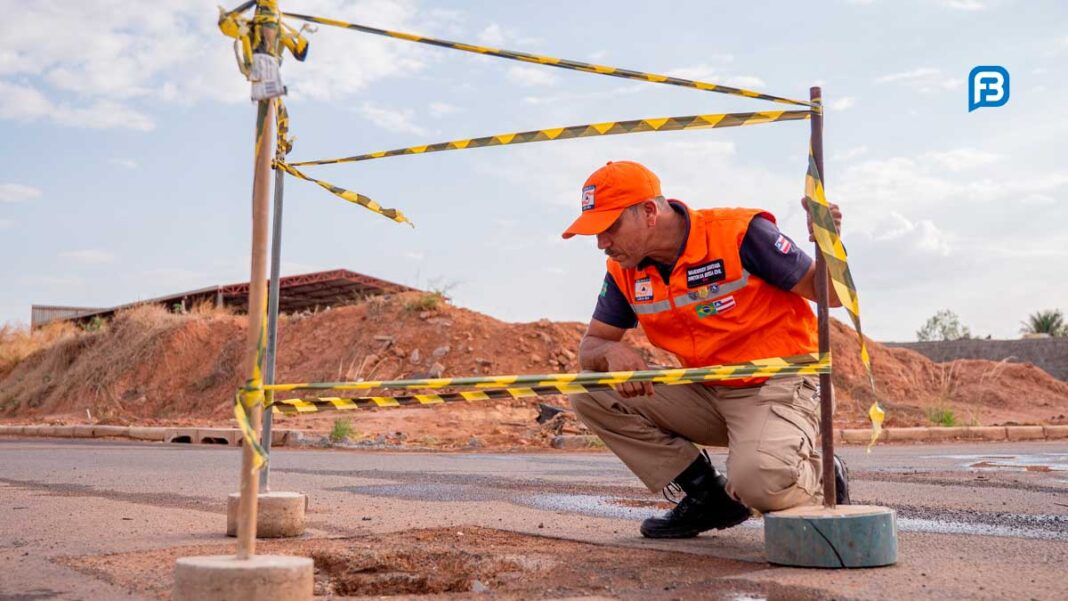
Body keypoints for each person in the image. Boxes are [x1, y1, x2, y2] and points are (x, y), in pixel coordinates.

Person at [562, 160, 849, 539]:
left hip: (778, 384)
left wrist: (829, 243)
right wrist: (609, 354)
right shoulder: (624, 271)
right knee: (590, 390)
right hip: (707, 389)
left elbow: (831, 296)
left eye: (609, 228)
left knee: (760, 485)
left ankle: (823, 472)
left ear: (649, 212)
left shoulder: (739, 235)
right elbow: (592, 347)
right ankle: (707, 497)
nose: (602, 244)